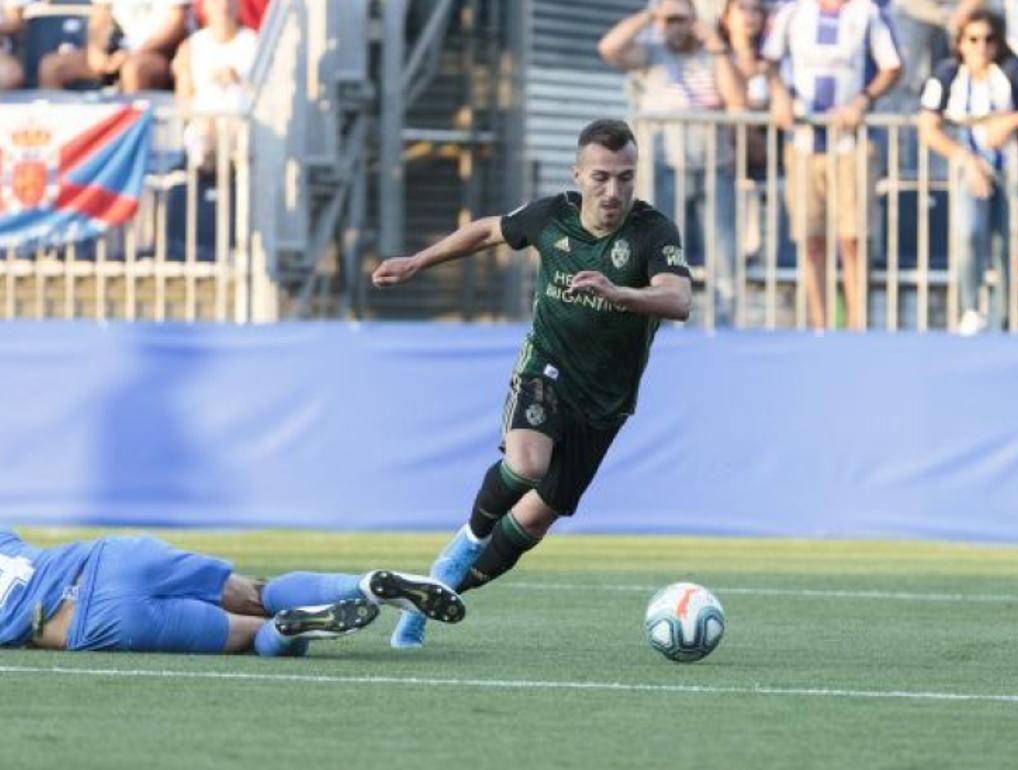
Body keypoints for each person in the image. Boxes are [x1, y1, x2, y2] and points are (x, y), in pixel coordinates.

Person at [372, 118, 692, 650]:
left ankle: (431, 596)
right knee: (527, 464)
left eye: (625, 178)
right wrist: (417, 261)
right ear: (578, 174)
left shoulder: (653, 232)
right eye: (601, 177)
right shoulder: (551, 216)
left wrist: (620, 294)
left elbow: (678, 300)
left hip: (606, 404)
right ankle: (463, 544)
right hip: (546, 368)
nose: (613, 191)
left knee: (533, 523)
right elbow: (486, 231)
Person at [0, 527, 465, 656]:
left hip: (87, 619)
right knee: (257, 592)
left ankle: (285, 632)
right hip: (112, 558)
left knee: (248, 635)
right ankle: (361, 585)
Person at [598, 0, 745, 325]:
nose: (673, 27)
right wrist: (651, 14)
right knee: (661, 250)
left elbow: (737, 99)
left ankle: (724, 324)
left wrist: (716, 46)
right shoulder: (652, 51)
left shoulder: (714, 54)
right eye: (668, 20)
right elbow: (609, 48)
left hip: (714, 166)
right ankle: (658, 322)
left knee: (724, 253)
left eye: (680, 19)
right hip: (664, 167)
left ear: (694, 20)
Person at [918, 10, 1018, 334]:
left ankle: (1005, 316)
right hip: (971, 168)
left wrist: (1011, 121)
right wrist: (966, 160)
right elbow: (928, 128)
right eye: (973, 39)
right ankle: (970, 309)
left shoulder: (1010, 70)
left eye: (988, 39)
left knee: (1007, 244)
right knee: (969, 234)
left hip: (1012, 169)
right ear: (960, 43)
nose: (981, 47)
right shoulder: (947, 75)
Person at [763, 0, 903, 330]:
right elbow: (769, 61)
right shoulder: (793, 11)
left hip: (850, 144)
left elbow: (893, 66)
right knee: (811, 240)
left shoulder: (867, 12)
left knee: (853, 239)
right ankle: (820, 326)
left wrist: (862, 101)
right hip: (802, 142)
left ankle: (857, 328)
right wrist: (779, 95)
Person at [173, 0, 257, 168]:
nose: (223, 6)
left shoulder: (253, 43)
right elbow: (183, 98)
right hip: (203, 129)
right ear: (205, 7)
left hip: (242, 128)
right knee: (204, 131)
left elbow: (263, 96)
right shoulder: (191, 46)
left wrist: (238, 79)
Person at [39, 0, 190, 92]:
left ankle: (129, 137)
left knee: (134, 69)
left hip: (159, 53)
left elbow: (176, 23)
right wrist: (96, 51)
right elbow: (101, 16)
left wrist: (137, 53)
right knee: (52, 67)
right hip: (118, 50)